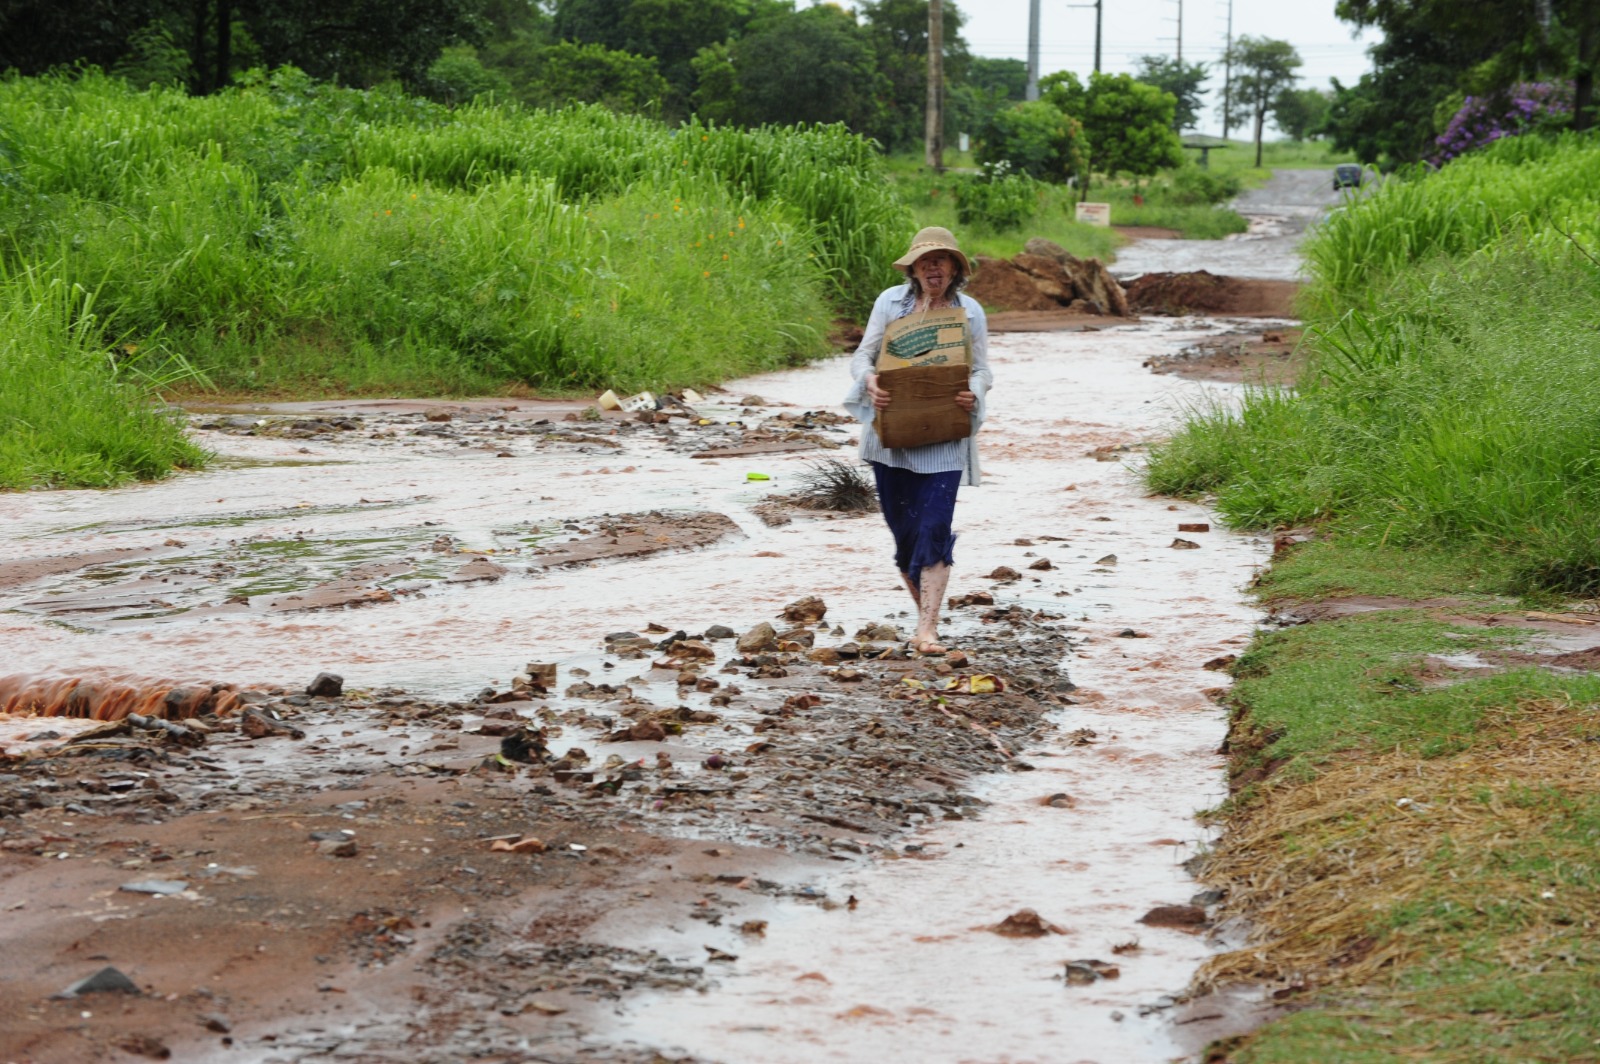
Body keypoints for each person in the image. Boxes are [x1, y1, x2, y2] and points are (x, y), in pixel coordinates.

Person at [843, 227, 991, 656]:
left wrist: (974, 392)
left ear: (955, 269)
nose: (933, 267)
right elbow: (863, 356)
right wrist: (869, 381)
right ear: (913, 268)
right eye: (925, 260)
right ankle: (926, 617)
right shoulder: (890, 303)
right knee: (906, 535)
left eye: (941, 260)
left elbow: (982, 370)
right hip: (891, 435)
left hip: (945, 437)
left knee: (934, 527)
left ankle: (927, 629)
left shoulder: (970, 312)